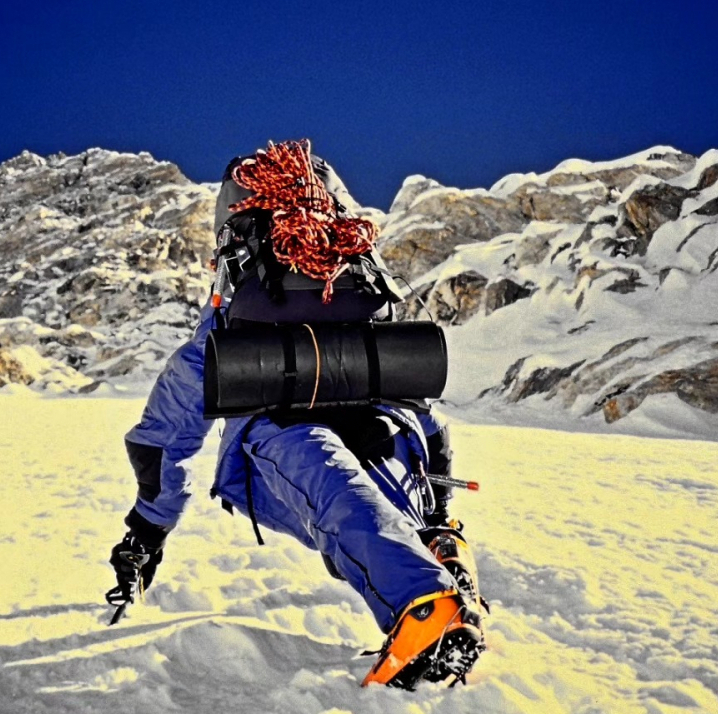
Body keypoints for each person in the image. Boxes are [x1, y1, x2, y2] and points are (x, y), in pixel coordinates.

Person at [107, 140, 486, 689]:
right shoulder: (362, 282)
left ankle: (424, 607)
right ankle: (433, 547)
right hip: (390, 433)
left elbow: (170, 431)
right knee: (372, 503)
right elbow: (414, 395)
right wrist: (438, 500)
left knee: (333, 495)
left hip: (284, 433)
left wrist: (147, 529)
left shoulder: (236, 304)